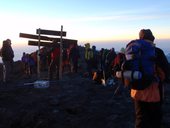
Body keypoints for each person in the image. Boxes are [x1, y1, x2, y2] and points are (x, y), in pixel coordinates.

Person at [125, 29, 168, 128]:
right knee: (155, 120)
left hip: (136, 91)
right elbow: (164, 74)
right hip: (153, 93)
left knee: (140, 118)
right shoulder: (157, 52)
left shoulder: (132, 50)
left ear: (140, 38)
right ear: (152, 39)